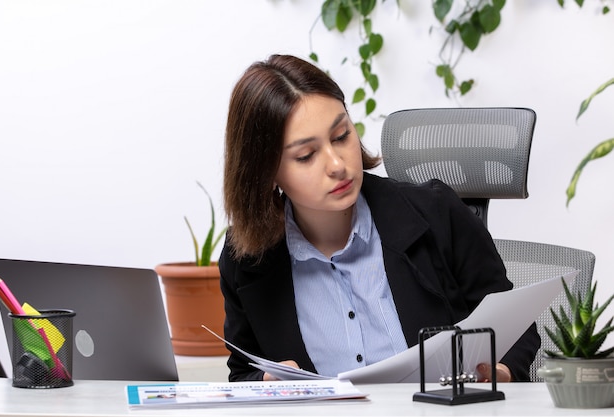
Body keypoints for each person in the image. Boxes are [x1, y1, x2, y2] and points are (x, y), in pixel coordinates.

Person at [219, 54, 540, 383]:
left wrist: (498, 371)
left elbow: (514, 327)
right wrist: (266, 383)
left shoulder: (435, 212)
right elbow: (243, 370)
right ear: (265, 171)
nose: (337, 164)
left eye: (342, 136)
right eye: (306, 155)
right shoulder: (245, 260)